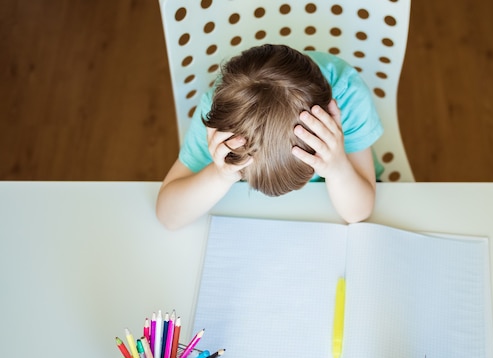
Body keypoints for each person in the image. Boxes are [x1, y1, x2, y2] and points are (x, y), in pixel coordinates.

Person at [156, 44, 384, 230]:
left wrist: (337, 168)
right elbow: (168, 216)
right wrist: (220, 175)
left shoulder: (347, 95)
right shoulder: (222, 118)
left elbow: (358, 213)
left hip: (344, 191)